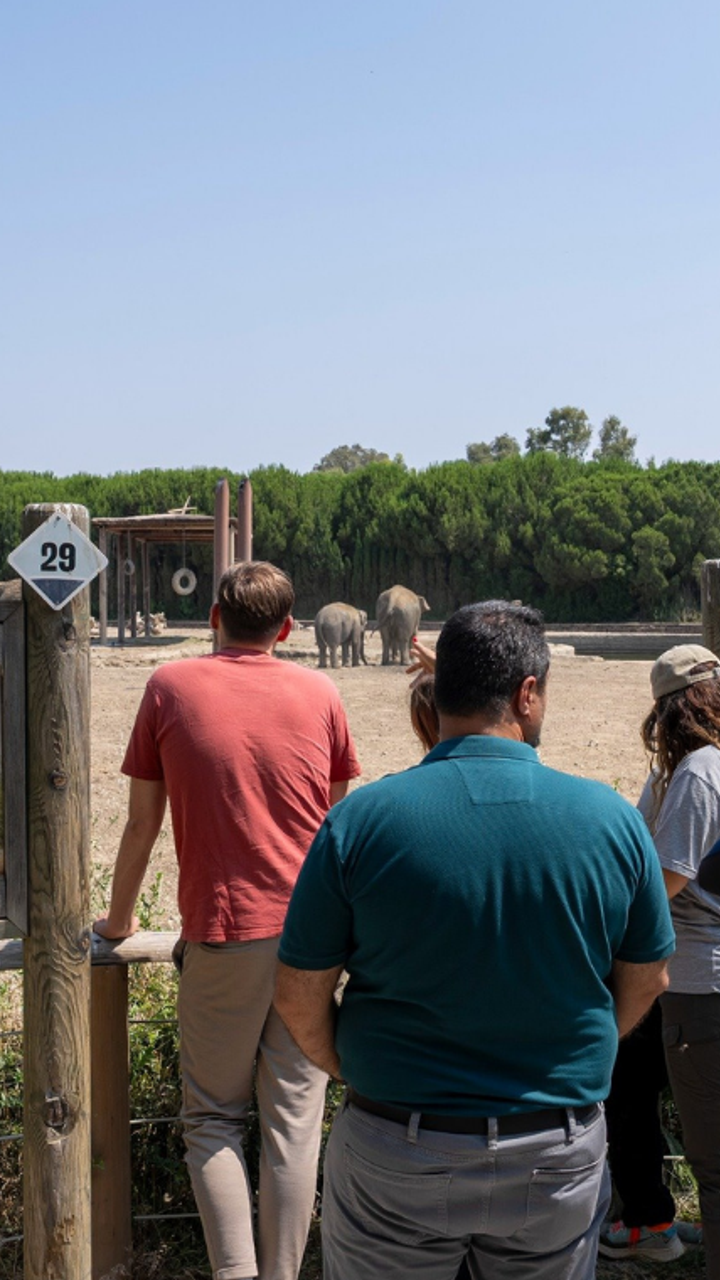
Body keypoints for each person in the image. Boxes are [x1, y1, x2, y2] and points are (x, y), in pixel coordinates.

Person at [274, 600, 674, 1280]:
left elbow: (296, 991)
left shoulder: (360, 822)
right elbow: (649, 976)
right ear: (527, 693)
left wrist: (349, 1065)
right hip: (555, 1149)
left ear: (441, 689)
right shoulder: (611, 820)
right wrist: (585, 1049)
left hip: (397, 1143)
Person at [93, 561, 361, 1280]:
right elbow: (335, 818)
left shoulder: (169, 686)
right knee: (294, 1125)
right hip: (312, 938)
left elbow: (142, 824)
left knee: (212, 1118)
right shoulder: (321, 691)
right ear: (288, 629)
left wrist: (117, 921)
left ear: (213, 618)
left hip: (225, 931)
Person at [604, 644, 720, 1277]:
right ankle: (652, 1218)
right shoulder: (684, 771)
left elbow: (665, 879)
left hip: (687, 974)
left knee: (704, 1151)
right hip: (685, 971)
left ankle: (648, 1224)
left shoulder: (698, 771)